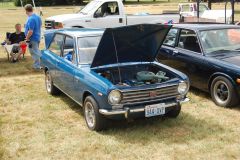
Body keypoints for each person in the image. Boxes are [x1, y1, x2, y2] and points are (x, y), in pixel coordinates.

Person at [24, 4, 42, 70]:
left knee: (34, 52)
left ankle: (37, 66)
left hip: (32, 38)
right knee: (36, 51)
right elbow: (39, 26)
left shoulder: (31, 19)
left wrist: (27, 38)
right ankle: (39, 64)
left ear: (26, 11)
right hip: (37, 37)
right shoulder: (37, 17)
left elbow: (31, 31)